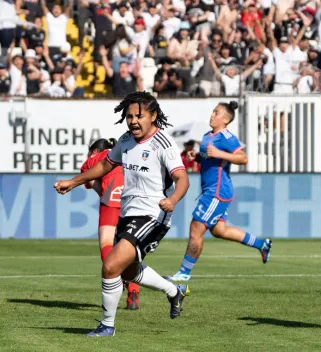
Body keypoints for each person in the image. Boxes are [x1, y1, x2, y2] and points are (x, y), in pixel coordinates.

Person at [54, 91, 190, 337]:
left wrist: (172, 199)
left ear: (153, 116)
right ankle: (174, 292)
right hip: (128, 214)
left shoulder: (164, 144)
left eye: (139, 116)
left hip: (152, 215)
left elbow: (182, 179)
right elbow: (106, 164)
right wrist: (73, 182)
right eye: (129, 116)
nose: (133, 121)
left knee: (110, 266)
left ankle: (107, 325)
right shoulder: (126, 140)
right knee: (127, 270)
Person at [166, 101, 272, 282]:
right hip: (214, 191)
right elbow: (210, 158)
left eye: (216, 113)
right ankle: (262, 244)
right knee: (219, 230)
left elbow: (243, 158)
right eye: (212, 112)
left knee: (195, 230)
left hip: (216, 193)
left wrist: (219, 154)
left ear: (225, 119)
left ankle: (184, 273)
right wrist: (197, 156)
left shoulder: (226, 137)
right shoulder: (208, 136)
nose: (211, 115)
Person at [80, 137, 141, 310]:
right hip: (133, 203)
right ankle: (134, 290)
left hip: (112, 199)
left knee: (107, 243)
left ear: (94, 151)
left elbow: (88, 175)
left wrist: (103, 191)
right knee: (128, 249)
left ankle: (118, 280)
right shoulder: (128, 153)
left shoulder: (100, 156)